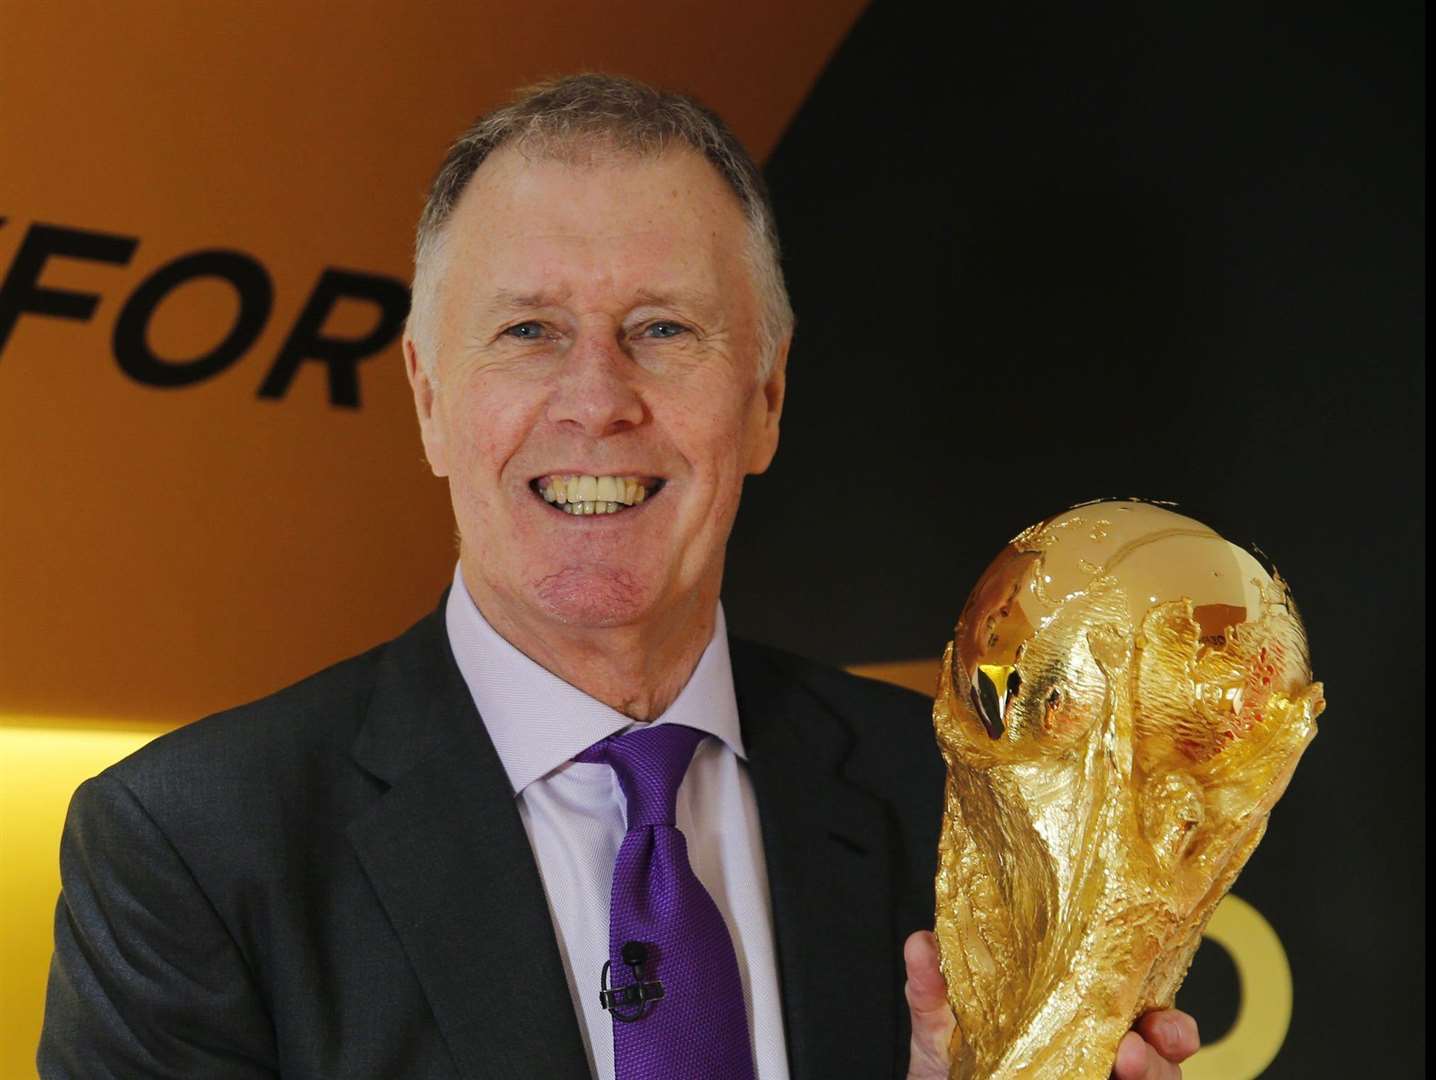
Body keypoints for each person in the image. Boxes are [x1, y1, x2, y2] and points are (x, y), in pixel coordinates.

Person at [38, 75, 1199, 1079]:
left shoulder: (961, 811)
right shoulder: (194, 849)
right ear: (428, 400)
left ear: (767, 399)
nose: (596, 401)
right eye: (529, 332)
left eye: (661, 329)